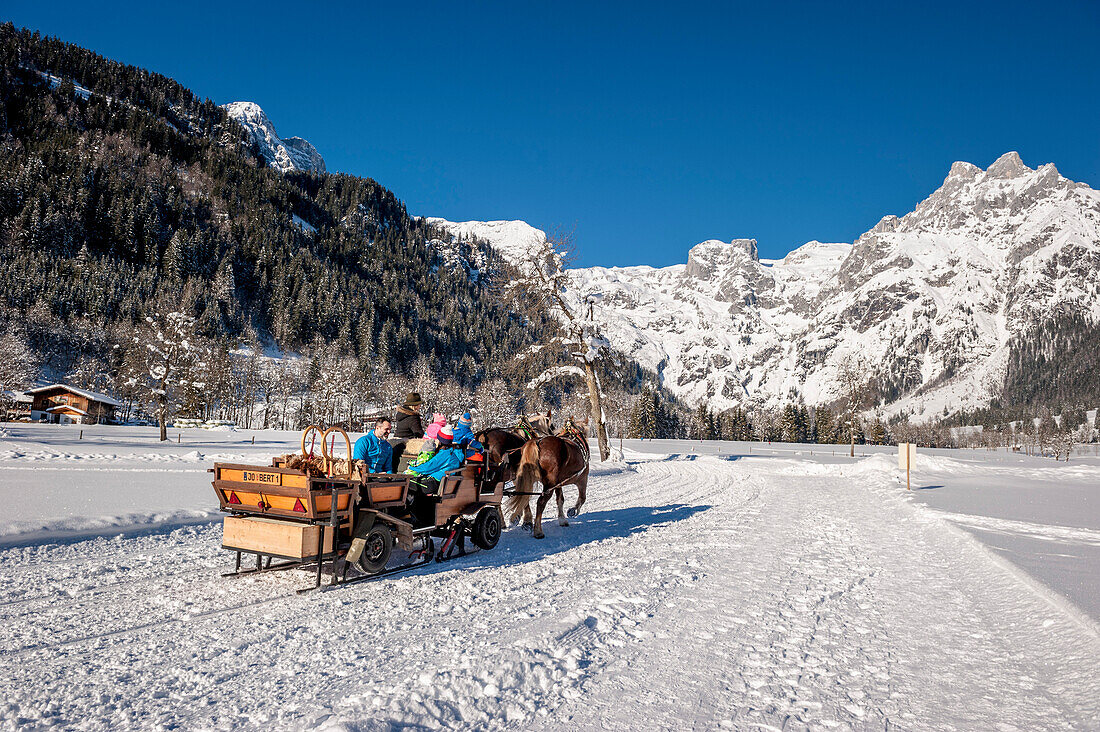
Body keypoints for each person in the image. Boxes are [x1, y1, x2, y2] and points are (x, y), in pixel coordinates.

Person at [405, 425, 464, 525]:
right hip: (439, 483)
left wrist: (411, 468)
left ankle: (409, 515)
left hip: (433, 483)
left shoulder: (445, 454)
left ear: (440, 440)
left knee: (406, 483)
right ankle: (416, 514)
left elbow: (428, 467)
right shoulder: (453, 454)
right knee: (413, 485)